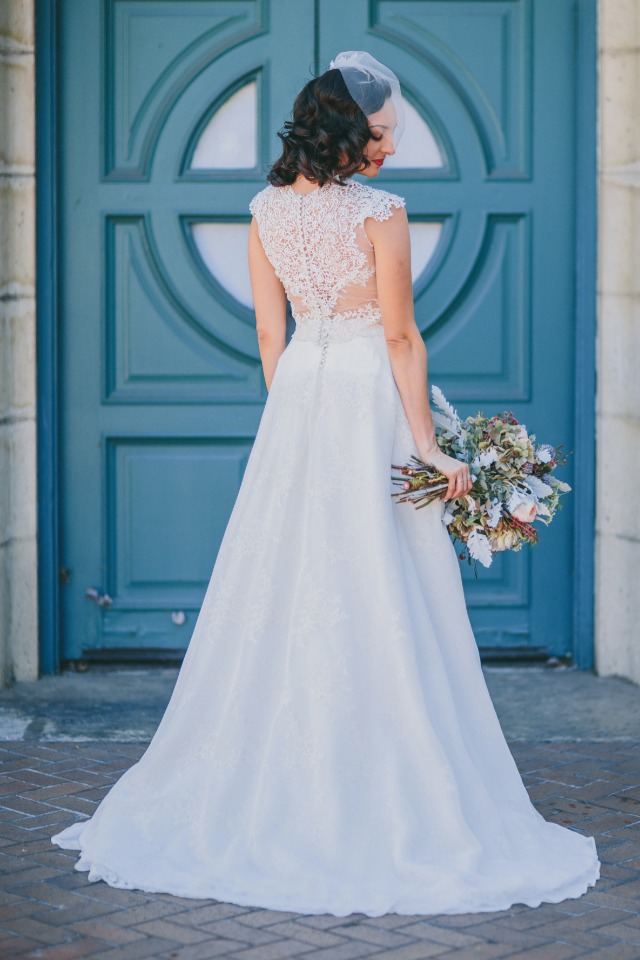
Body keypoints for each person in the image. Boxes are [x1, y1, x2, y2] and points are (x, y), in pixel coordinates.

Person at [52, 51, 600, 917]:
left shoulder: (264, 210)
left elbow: (269, 340)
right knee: (384, 578)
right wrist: (432, 450)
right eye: (380, 134)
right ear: (347, 129)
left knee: (289, 577)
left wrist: (296, 425)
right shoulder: (383, 214)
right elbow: (401, 341)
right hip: (365, 402)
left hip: (302, 400)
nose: (389, 148)